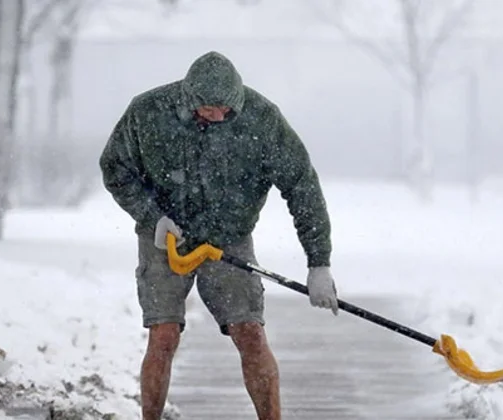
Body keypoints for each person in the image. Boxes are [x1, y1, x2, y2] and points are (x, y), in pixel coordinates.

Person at [99, 51, 339, 420]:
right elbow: (115, 168)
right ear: (190, 99)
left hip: (229, 239)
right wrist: (152, 216)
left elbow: (302, 186)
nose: (219, 115)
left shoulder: (262, 119)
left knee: (250, 333)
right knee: (163, 336)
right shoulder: (148, 113)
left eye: (227, 109)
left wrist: (318, 262)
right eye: (210, 109)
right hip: (166, 239)